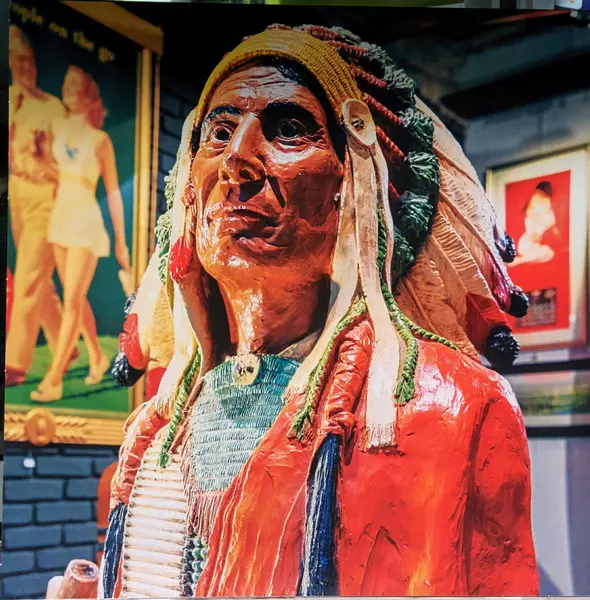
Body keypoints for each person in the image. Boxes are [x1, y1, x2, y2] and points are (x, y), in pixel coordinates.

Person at [52, 25, 538, 598]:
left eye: (287, 129)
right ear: (189, 190)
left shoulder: (452, 409)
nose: (237, 159)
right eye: (220, 132)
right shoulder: (157, 427)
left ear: (352, 186)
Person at [31, 66, 131, 402]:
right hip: (60, 218)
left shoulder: (100, 140)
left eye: (76, 85)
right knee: (75, 296)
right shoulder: (58, 128)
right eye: (66, 84)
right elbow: (59, 173)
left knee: (73, 298)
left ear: (89, 93)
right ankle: (97, 356)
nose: (69, 90)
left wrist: (121, 242)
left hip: (85, 223)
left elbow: (113, 192)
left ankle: (54, 378)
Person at [6, 25, 65, 386]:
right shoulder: (11, 100)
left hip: (47, 196)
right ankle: (63, 344)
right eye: (19, 61)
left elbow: (67, 165)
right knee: (38, 277)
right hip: (17, 193)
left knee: (29, 274)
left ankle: (14, 363)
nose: (26, 67)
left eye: (30, 61)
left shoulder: (52, 107)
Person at [512, 181, 559, 266]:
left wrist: (549, 233)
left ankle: (522, 260)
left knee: (549, 253)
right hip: (527, 243)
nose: (540, 199)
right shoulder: (531, 216)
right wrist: (533, 235)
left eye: (544, 197)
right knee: (529, 220)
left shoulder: (549, 212)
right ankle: (522, 260)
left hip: (540, 245)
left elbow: (552, 225)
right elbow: (528, 215)